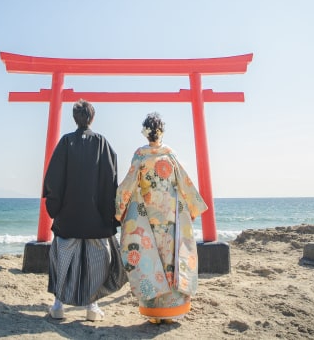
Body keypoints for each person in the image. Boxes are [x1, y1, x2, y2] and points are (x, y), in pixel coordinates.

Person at [115, 112, 208, 323]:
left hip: (147, 216)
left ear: (145, 133)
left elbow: (129, 183)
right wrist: (192, 208)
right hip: (171, 215)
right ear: (161, 131)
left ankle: (154, 313)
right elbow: (184, 182)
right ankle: (171, 312)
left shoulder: (140, 155)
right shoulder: (170, 155)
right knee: (171, 261)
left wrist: (119, 209)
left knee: (150, 260)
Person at [42, 99, 126, 321]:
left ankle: (58, 305)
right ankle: (92, 306)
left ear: (74, 118)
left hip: (67, 217)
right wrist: (109, 212)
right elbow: (111, 180)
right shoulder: (102, 143)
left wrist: (55, 207)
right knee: (97, 262)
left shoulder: (66, 142)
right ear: (92, 118)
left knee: (62, 260)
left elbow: (53, 179)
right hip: (96, 219)